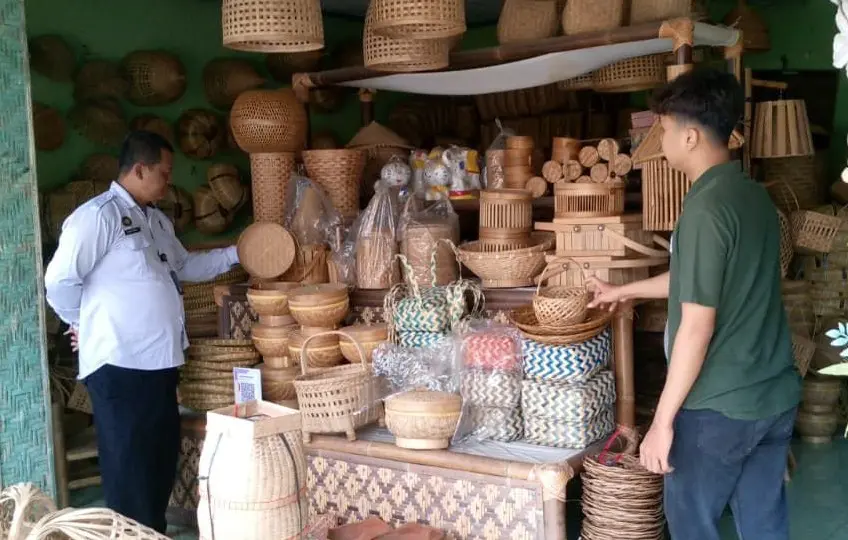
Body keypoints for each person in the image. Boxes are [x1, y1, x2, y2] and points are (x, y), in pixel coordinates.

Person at [587, 69, 801, 540]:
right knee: (764, 525)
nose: (661, 139)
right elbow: (697, 282)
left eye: (663, 130)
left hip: (718, 409)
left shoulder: (706, 210)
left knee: (692, 525)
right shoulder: (751, 197)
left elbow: (697, 324)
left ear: (689, 135)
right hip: (772, 398)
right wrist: (622, 291)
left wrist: (662, 422)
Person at [44, 131, 240, 533]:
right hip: (120, 364)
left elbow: (186, 268)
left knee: (157, 463)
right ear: (139, 169)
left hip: (161, 362)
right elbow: (60, 282)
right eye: (164, 173)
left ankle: (153, 533)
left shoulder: (155, 219)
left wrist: (240, 252)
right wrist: (83, 322)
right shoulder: (98, 217)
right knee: (129, 468)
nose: (170, 182)